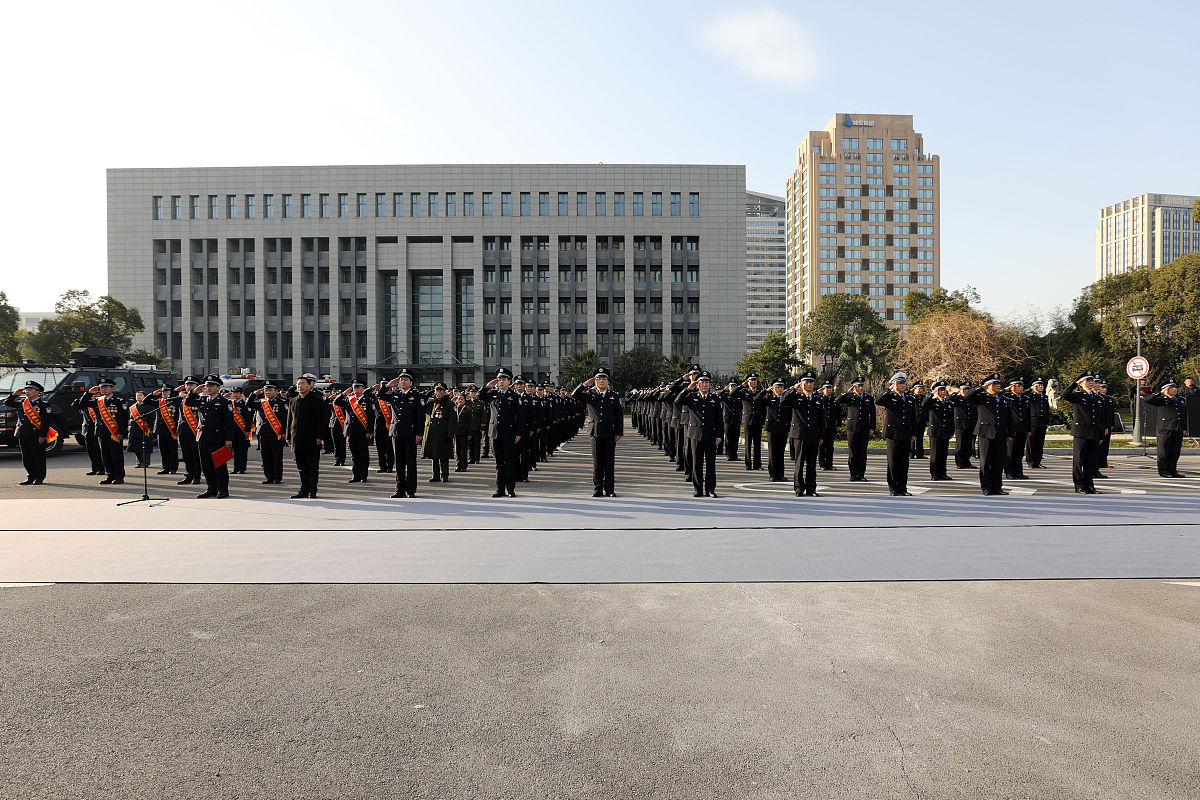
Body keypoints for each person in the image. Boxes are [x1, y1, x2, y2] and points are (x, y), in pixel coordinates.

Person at [573, 367, 625, 497]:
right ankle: (597, 489)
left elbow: (619, 416)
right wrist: (584, 384)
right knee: (597, 463)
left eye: (604, 379)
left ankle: (610, 489)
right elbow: (574, 395)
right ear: (594, 381)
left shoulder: (614, 396)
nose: (601, 381)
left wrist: (619, 432)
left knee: (609, 462)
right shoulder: (590, 394)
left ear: (608, 382)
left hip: (610, 433)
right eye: (598, 378)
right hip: (595, 433)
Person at [377, 369, 428, 498]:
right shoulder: (395, 394)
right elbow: (380, 396)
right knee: (398, 462)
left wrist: (419, 433)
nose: (403, 381)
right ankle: (399, 489)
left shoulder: (417, 396)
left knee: (410, 462)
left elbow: (420, 417)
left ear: (411, 382)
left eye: (406, 379)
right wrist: (388, 385)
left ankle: (410, 489)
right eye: (401, 379)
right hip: (396, 432)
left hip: (410, 433)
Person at [674, 371, 724, 498]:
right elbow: (677, 401)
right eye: (702, 382)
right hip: (695, 435)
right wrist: (687, 389)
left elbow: (719, 420)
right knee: (697, 463)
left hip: (711, 435)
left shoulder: (715, 399)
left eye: (707, 382)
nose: (705, 385)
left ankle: (710, 489)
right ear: (698, 384)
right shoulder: (691, 397)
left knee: (711, 464)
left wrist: (719, 435)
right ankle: (698, 489)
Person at [186, 375, 236, 499]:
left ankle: (223, 490)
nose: (207, 388)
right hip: (203, 437)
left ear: (218, 388)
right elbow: (188, 402)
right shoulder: (202, 399)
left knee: (219, 465)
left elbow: (229, 423)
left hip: (218, 438)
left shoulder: (225, 402)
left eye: (211, 386)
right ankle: (211, 489)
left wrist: (228, 439)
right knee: (206, 465)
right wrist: (195, 391)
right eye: (206, 386)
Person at [967, 374, 1016, 496]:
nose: (998, 385)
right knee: (986, 462)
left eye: (999, 383)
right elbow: (967, 396)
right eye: (995, 383)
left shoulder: (1004, 399)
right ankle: (986, 487)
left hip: (1001, 434)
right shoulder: (981, 398)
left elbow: (1010, 417)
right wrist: (980, 387)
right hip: (986, 434)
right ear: (988, 386)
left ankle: (997, 487)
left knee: (999, 462)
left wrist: (1010, 433)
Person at [1061, 371, 1109, 494]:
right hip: (1081, 432)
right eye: (1088, 380)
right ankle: (1079, 486)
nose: (1091, 382)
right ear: (1082, 382)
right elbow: (1064, 394)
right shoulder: (1078, 396)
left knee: (1091, 461)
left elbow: (1100, 417)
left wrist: (1101, 433)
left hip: (1094, 433)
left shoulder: (1098, 398)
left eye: (1092, 380)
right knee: (1079, 461)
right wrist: (1075, 383)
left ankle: (1090, 485)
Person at [779, 371, 825, 497]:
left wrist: (821, 436)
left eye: (811, 382)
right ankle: (799, 488)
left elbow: (822, 419)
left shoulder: (818, 399)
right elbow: (783, 400)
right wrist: (794, 389)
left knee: (811, 464)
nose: (809, 384)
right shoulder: (796, 397)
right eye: (806, 382)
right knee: (799, 463)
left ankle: (811, 489)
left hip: (813, 435)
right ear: (802, 384)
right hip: (799, 435)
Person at [479, 367, 523, 497]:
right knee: (499, 463)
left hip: (509, 434)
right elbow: (479, 396)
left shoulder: (514, 396)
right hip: (494, 434)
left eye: (504, 379)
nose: (501, 382)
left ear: (509, 382)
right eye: (499, 379)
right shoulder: (492, 394)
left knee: (509, 462)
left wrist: (519, 433)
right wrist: (487, 386)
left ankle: (510, 489)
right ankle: (500, 489)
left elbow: (520, 417)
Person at [78, 378, 128, 485]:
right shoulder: (97, 401)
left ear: (112, 388)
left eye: (106, 387)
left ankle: (119, 476)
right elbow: (82, 404)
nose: (103, 389)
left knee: (116, 456)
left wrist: (121, 432)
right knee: (105, 456)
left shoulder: (119, 401)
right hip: (101, 432)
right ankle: (109, 476)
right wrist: (89, 392)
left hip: (114, 433)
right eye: (101, 388)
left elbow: (123, 419)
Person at [875, 372, 918, 496]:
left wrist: (914, 433)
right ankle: (893, 488)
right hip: (893, 433)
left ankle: (903, 488)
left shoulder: (910, 398)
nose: (903, 385)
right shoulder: (889, 397)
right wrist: (889, 389)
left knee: (904, 463)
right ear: (894, 384)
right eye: (899, 383)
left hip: (906, 434)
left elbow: (912, 417)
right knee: (893, 462)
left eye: (904, 383)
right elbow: (878, 400)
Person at [286, 373, 327, 499]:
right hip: (297, 439)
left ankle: (312, 490)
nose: (300, 386)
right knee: (301, 467)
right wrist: (288, 436)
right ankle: (303, 490)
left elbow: (322, 420)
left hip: (312, 439)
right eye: (298, 384)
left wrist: (320, 436)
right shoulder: (293, 401)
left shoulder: (317, 400)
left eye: (303, 384)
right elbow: (289, 421)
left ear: (310, 386)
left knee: (312, 467)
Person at [5, 381, 53, 485]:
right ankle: (30, 476)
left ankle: (39, 477)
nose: (27, 392)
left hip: (36, 434)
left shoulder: (44, 404)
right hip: (23, 434)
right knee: (26, 457)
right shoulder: (23, 402)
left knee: (38, 457)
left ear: (37, 392)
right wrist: (14, 394)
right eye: (26, 390)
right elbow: (7, 403)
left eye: (30, 390)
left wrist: (43, 435)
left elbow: (46, 422)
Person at [1144, 378, 1190, 477]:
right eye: (1172, 387)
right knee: (1163, 451)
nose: (1175, 389)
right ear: (1166, 389)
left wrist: (1185, 427)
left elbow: (1183, 414)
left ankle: (1173, 470)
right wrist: (1161, 393)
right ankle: (1163, 470)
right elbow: (1147, 399)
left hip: (1178, 428)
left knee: (1175, 452)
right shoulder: (1161, 399)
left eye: (1175, 387)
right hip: (1165, 428)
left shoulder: (1180, 399)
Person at [334, 379, 376, 483]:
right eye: (354, 387)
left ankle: (363, 475)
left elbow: (371, 418)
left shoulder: (368, 400)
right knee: (354, 456)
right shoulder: (349, 399)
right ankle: (356, 475)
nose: (356, 389)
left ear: (363, 388)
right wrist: (344, 394)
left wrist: (369, 431)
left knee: (363, 455)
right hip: (351, 432)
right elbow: (336, 402)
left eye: (358, 387)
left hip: (363, 432)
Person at [835, 377, 875, 482]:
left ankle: (861, 474)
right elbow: (836, 401)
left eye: (862, 386)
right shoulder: (849, 397)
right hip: (852, 428)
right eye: (858, 386)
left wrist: (872, 427)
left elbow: (873, 414)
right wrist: (846, 392)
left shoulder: (868, 398)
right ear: (854, 387)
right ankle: (853, 474)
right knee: (852, 452)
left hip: (864, 428)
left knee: (862, 452)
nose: (861, 388)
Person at [166, 376, 203, 485]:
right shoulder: (182, 397)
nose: (188, 387)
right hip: (183, 430)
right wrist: (177, 390)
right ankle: (188, 475)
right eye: (187, 385)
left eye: (191, 385)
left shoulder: (199, 398)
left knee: (196, 455)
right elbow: (168, 400)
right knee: (186, 455)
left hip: (195, 429)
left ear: (197, 387)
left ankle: (197, 476)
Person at [250, 382, 288, 485]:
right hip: (263, 433)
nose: (268, 392)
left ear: (276, 391)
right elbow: (248, 404)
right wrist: (254, 394)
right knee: (265, 456)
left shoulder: (281, 402)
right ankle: (269, 477)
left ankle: (277, 477)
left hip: (276, 433)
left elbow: (285, 419)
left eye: (270, 390)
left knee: (276, 456)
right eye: (266, 390)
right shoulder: (261, 402)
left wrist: (284, 432)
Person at [423, 382, 456, 483]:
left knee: (444, 456)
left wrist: (450, 434)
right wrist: (428, 394)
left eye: (441, 390)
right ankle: (435, 475)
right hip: (433, 434)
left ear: (445, 392)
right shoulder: (431, 403)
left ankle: (445, 475)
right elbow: (421, 405)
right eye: (437, 390)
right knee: (434, 455)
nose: (439, 392)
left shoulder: (450, 404)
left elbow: (453, 420)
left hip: (444, 434)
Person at [730, 374, 765, 471]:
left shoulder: (760, 392)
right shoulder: (743, 392)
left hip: (758, 421)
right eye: (751, 380)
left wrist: (763, 421)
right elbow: (732, 394)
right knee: (748, 443)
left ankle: (757, 464)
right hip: (747, 421)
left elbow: (764, 408)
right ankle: (748, 464)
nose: (753, 382)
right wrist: (741, 385)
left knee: (757, 444)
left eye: (755, 380)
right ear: (748, 382)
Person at [757, 378, 789, 482]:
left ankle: (781, 474)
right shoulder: (768, 398)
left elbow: (790, 414)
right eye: (777, 387)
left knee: (781, 452)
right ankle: (773, 474)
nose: (780, 389)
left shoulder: (786, 399)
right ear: (773, 388)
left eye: (781, 387)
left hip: (783, 428)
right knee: (772, 452)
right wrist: (766, 390)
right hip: (771, 428)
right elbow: (756, 399)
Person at [922, 381, 955, 481]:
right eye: (940, 390)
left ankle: (943, 473)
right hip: (935, 431)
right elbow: (924, 404)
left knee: (943, 454)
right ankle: (934, 473)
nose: (942, 392)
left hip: (945, 431)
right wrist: (931, 393)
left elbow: (951, 418)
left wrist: (951, 431)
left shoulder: (949, 403)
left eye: (944, 390)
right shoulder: (932, 402)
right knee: (935, 454)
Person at [1002, 378, 1030, 480]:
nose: (1021, 388)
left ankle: (1019, 472)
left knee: (1019, 452)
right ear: (1012, 387)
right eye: (1018, 386)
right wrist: (1006, 389)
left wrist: (1029, 428)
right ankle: (1009, 472)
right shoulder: (1007, 397)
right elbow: (999, 395)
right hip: (1012, 429)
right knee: (1010, 452)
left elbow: (1028, 414)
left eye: (1022, 386)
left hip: (1022, 428)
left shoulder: (1025, 398)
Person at [152, 385, 180, 475]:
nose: (165, 393)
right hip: (161, 429)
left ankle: (173, 468)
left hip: (172, 429)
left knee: (172, 450)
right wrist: (153, 394)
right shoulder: (159, 402)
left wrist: (178, 429)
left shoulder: (175, 402)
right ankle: (165, 468)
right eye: (163, 392)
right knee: (163, 450)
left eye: (167, 392)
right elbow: (146, 401)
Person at [126, 389, 157, 469]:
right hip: (134, 430)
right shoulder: (132, 407)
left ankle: (145, 462)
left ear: (144, 397)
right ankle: (139, 462)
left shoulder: (149, 407)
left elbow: (152, 419)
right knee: (136, 447)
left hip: (145, 430)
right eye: (137, 395)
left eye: (140, 395)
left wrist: (151, 428)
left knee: (145, 447)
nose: (138, 397)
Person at [949, 382, 977, 469]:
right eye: (964, 389)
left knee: (968, 445)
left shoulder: (971, 399)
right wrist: (955, 393)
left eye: (968, 389)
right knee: (960, 444)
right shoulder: (957, 398)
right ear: (960, 390)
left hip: (970, 424)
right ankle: (960, 462)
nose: (966, 391)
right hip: (960, 424)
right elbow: (949, 399)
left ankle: (967, 461)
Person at [1025, 378, 1051, 469]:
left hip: (1042, 423)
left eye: (1042, 385)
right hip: (1033, 423)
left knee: (1040, 443)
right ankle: (1030, 460)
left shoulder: (1044, 397)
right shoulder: (1030, 396)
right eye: (1038, 385)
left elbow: (1047, 410)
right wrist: (1031, 389)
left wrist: (1047, 422)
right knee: (1031, 443)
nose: (1041, 387)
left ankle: (1037, 461)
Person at [227, 386, 252, 474]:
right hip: (233, 431)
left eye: (237, 393)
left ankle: (242, 468)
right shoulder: (230, 403)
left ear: (241, 394)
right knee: (235, 450)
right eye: (234, 393)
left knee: (243, 450)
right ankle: (235, 468)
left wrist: (248, 431)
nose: (235, 394)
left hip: (243, 431)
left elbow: (248, 419)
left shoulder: (245, 404)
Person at [817, 381, 841, 471]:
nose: (828, 390)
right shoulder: (819, 399)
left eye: (830, 388)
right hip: (822, 426)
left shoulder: (835, 399)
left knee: (830, 446)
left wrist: (838, 424)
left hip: (831, 426)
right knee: (822, 446)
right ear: (823, 390)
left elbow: (839, 412)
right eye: (826, 388)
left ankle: (829, 463)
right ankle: (822, 464)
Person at [453, 391, 477, 473]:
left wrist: (470, 433)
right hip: (456, 433)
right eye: (459, 399)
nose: (460, 400)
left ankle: (464, 465)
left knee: (464, 450)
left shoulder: (468, 409)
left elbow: (471, 423)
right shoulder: (454, 408)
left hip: (464, 433)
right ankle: (458, 465)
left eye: (462, 399)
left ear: (464, 400)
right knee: (457, 450)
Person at [373, 386, 396, 473]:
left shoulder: (393, 397)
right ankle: (382, 466)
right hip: (379, 426)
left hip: (389, 427)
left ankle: (390, 466)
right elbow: (366, 393)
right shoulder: (377, 398)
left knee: (389, 448)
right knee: (380, 448)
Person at [1095, 380, 1114, 475]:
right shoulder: (1098, 398)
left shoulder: (1108, 398)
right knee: (1099, 446)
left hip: (1107, 425)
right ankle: (1097, 463)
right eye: (1102, 387)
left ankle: (1103, 462)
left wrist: (1111, 424)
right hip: (1101, 425)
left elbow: (1111, 413)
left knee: (1105, 445)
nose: (1104, 389)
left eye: (1105, 388)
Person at [720, 380, 742, 462]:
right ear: (728, 387)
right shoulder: (725, 395)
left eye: (734, 386)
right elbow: (718, 396)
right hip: (728, 419)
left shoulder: (739, 395)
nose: (733, 387)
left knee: (735, 438)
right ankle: (729, 455)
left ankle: (734, 454)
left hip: (736, 419)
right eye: (731, 386)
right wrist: (724, 390)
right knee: (728, 437)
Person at [326, 386, 348, 467]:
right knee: (335, 444)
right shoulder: (332, 401)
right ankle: (337, 459)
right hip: (333, 424)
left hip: (342, 425)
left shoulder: (345, 402)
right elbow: (324, 404)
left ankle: (342, 460)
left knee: (342, 444)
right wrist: (329, 398)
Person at [466, 385, 486, 463]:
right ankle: (471, 458)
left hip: (477, 427)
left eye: (474, 392)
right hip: (469, 427)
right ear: (469, 393)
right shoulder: (467, 403)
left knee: (477, 444)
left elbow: (483, 416)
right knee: (470, 444)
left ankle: (477, 458)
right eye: (472, 392)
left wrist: (482, 426)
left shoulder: (480, 403)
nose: (473, 394)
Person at [909, 381, 928, 459]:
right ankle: (911, 453)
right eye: (919, 388)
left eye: (921, 388)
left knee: (920, 437)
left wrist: (927, 420)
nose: (920, 390)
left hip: (922, 420)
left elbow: (927, 409)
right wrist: (910, 391)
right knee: (912, 436)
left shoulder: (924, 397)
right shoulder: (911, 396)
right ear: (914, 389)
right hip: (913, 420)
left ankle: (920, 454)